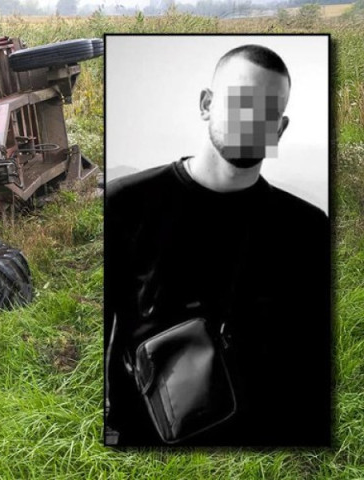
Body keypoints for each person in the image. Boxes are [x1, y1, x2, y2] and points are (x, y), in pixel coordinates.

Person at [104, 44, 330, 446]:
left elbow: (311, 365)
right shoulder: (125, 204)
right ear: (207, 104)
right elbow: (105, 341)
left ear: (280, 128)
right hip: (151, 442)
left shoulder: (307, 228)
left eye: (268, 111)